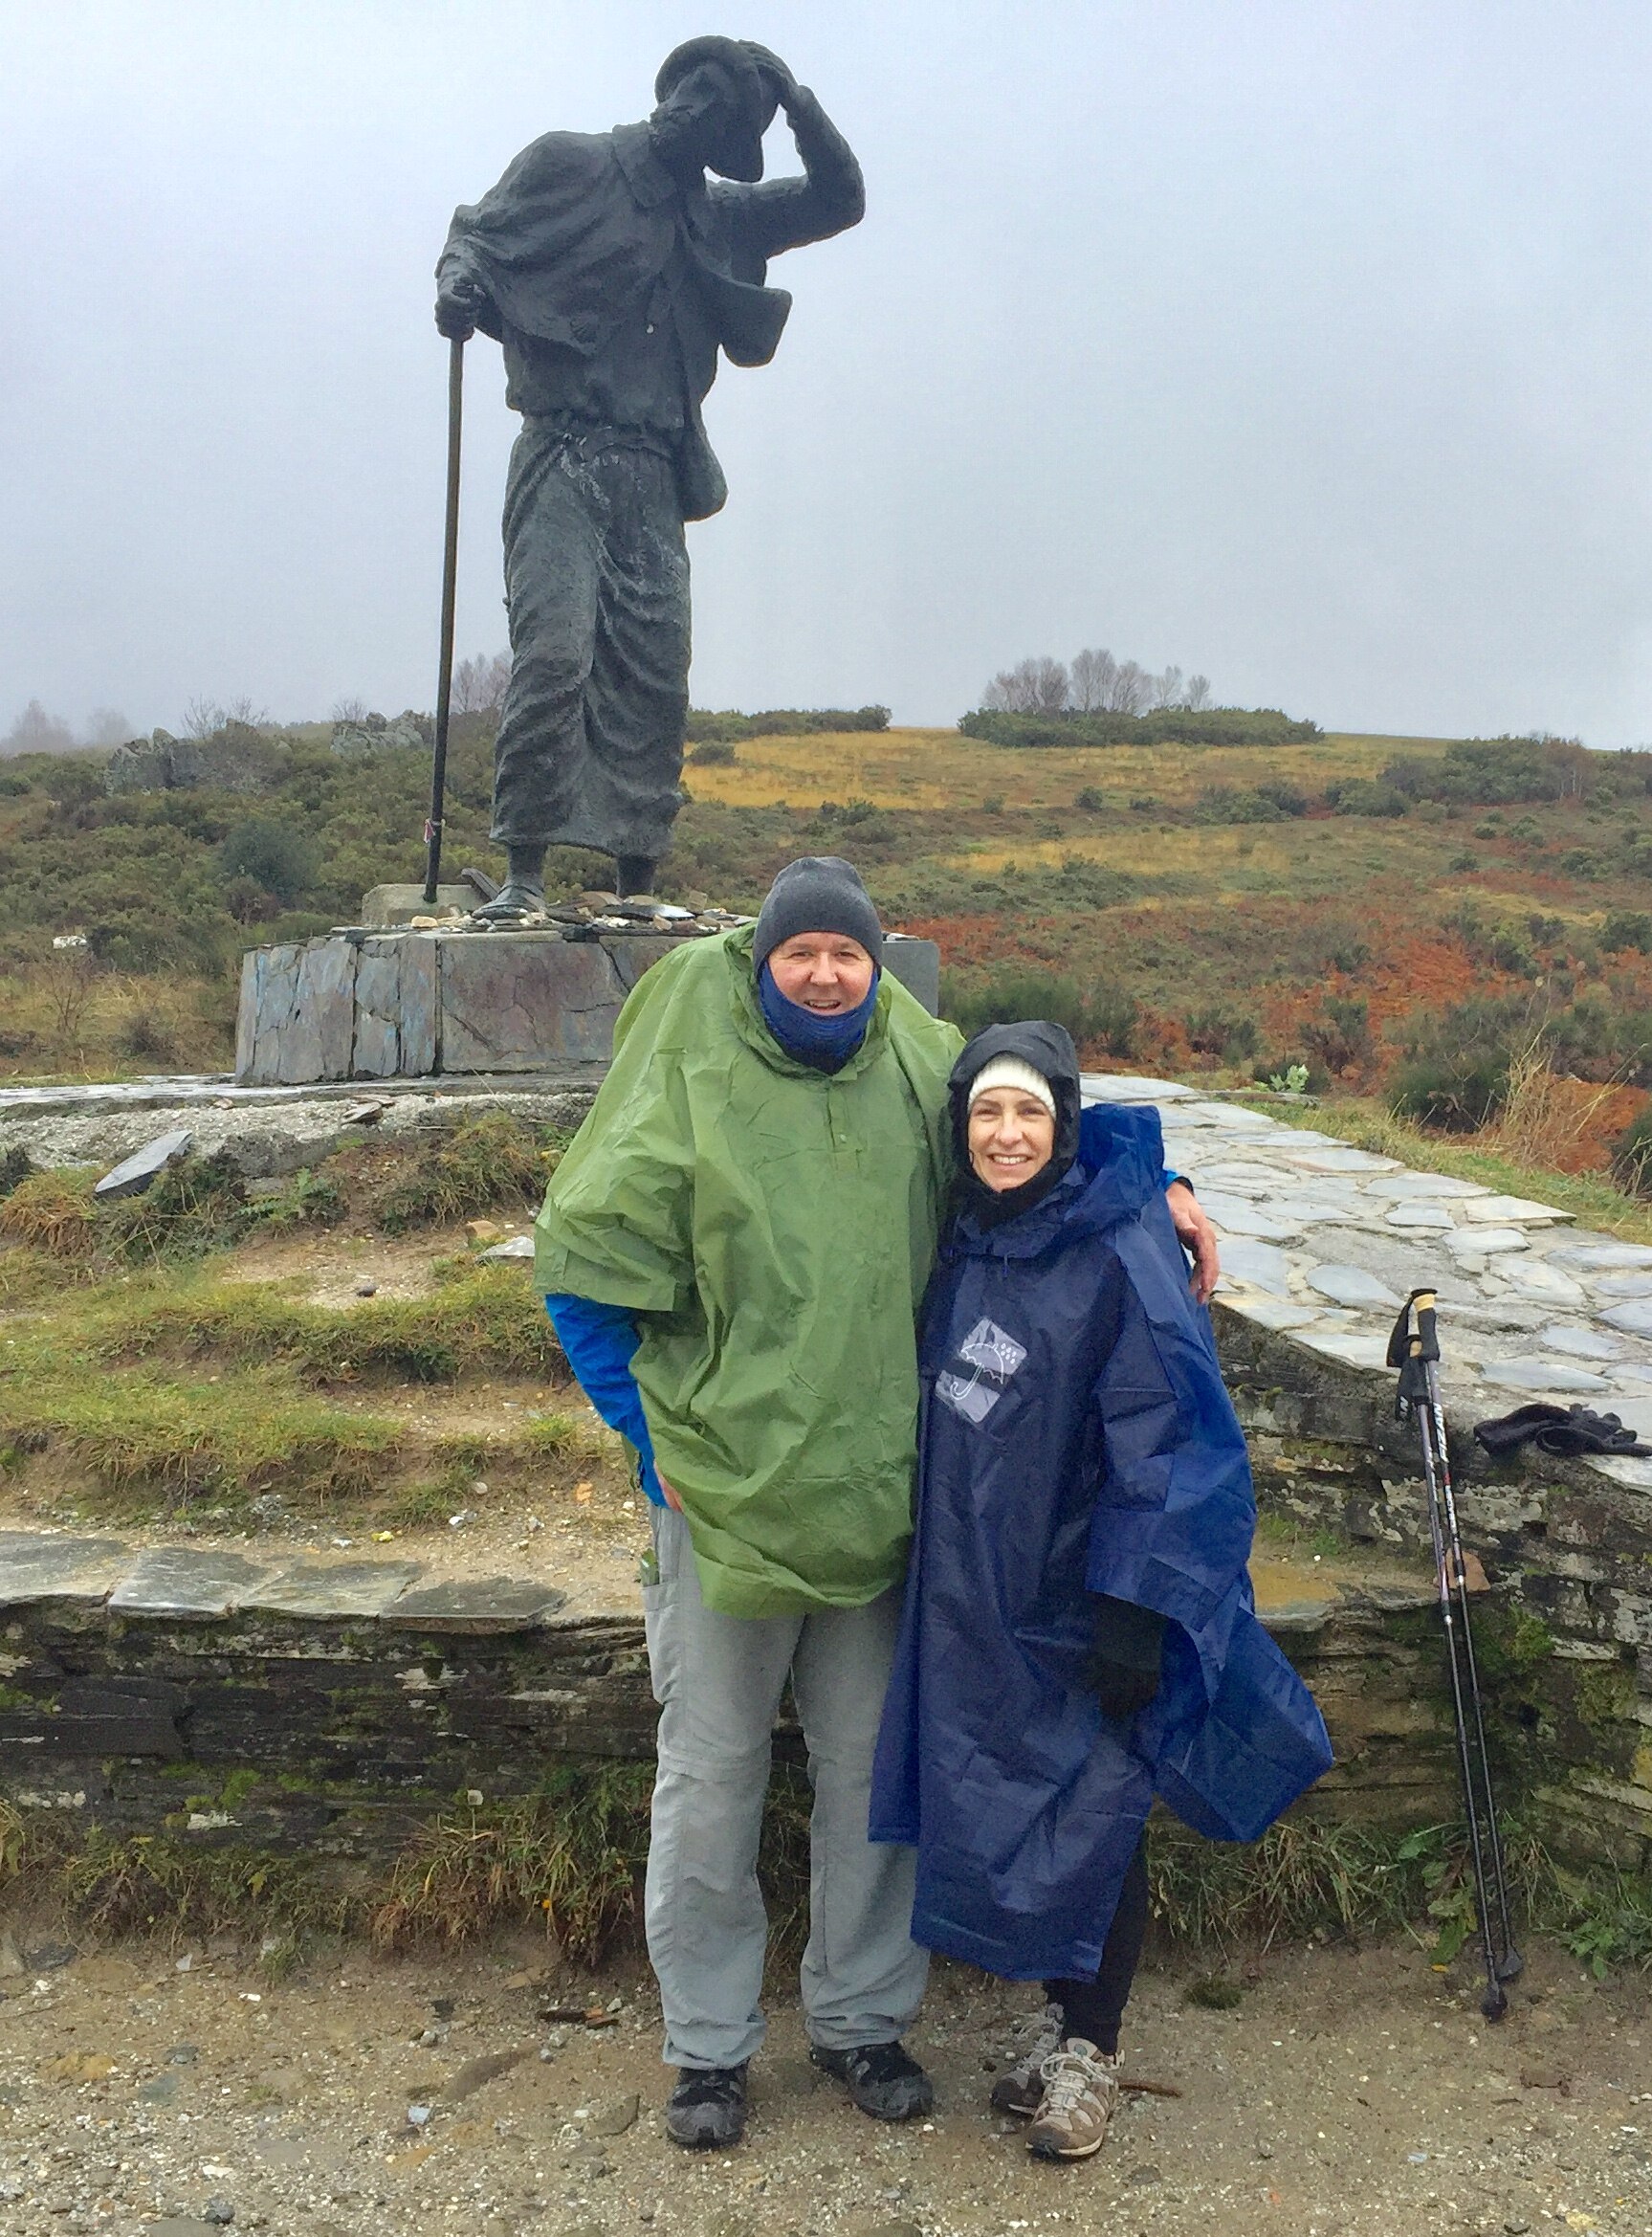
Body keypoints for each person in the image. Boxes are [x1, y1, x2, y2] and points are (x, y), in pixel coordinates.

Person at [533, 857, 1221, 2150]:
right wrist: (644, 1442)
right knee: (711, 1774)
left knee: (870, 1776)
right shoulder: (687, 1058)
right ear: (763, 957)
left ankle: (858, 2019)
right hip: (722, 1506)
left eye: (846, 952)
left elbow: (1031, 1127)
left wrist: (1161, 1179)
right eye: (801, 951)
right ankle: (707, 2048)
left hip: (875, 1501)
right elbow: (580, 1270)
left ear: (871, 964)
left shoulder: (910, 1060)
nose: (825, 971)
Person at [870, 1021, 1334, 2163]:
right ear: (959, 1128)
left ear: (1064, 1125)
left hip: (1085, 1588)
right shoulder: (975, 1232)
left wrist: (1135, 1601)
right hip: (984, 1585)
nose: (1006, 1133)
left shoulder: (1116, 1246)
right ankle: (1052, 2013)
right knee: (1013, 1799)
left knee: (1095, 1804)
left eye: (1030, 1113)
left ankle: (1091, 2047)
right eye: (986, 1112)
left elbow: (1169, 1433)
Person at [435, 39, 865, 913]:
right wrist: (457, 288)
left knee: (654, 672)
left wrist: (798, 103)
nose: (704, 116)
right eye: (703, 97)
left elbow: (838, 200)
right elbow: (475, 237)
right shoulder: (571, 163)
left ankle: (638, 879)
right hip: (562, 449)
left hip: (652, 471)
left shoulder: (724, 216)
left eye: (728, 115)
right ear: (679, 96)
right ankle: (523, 873)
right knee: (555, 651)